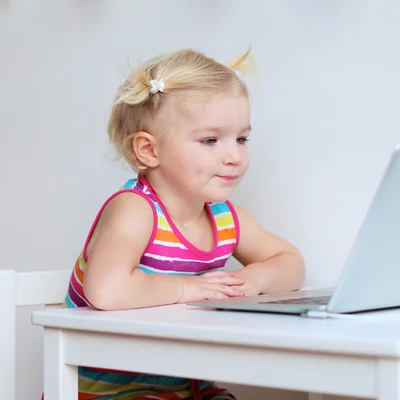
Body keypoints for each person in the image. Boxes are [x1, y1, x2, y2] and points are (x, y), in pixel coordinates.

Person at [56, 46, 306, 400]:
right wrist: (193, 288)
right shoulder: (135, 209)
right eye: (210, 140)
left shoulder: (224, 217)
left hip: (189, 387)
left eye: (241, 138)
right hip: (114, 393)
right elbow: (106, 291)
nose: (234, 155)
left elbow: (291, 262)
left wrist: (251, 281)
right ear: (150, 151)